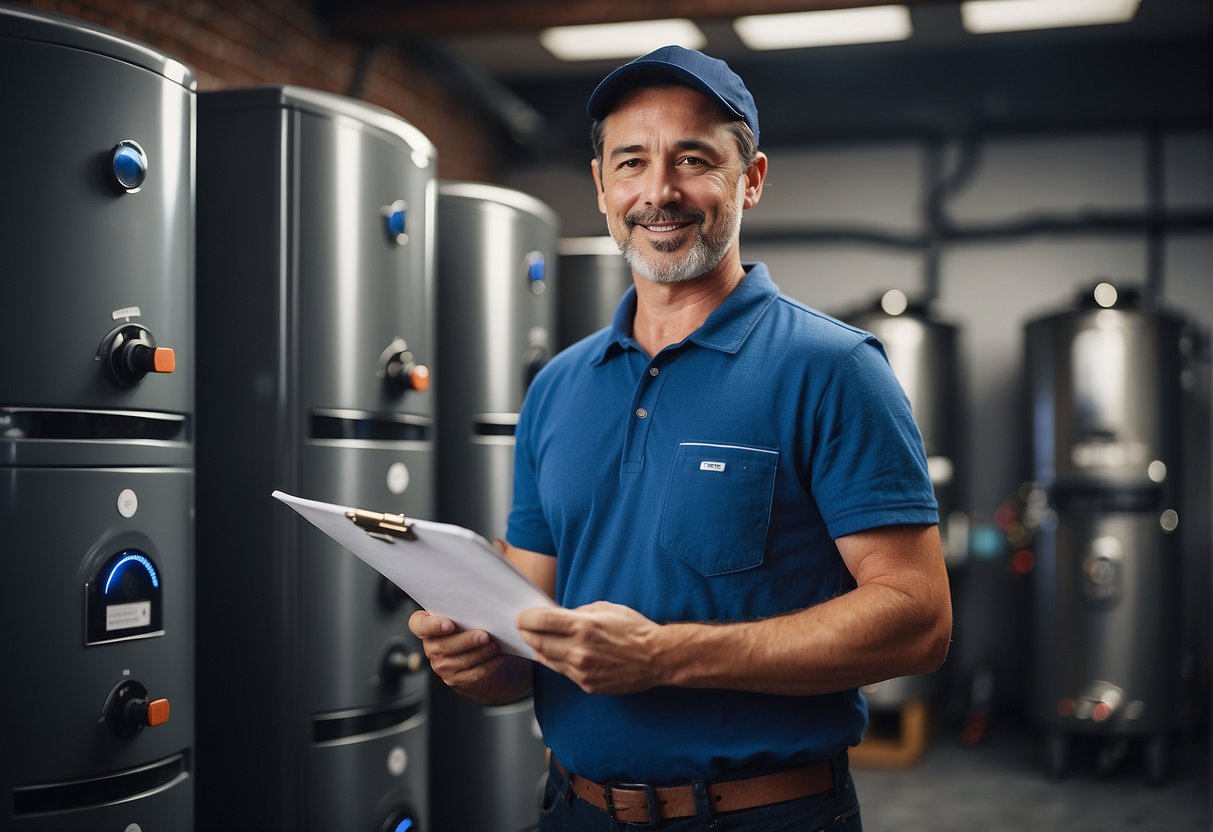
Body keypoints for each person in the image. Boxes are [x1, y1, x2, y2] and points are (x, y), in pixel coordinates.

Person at [410, 45, 952, 831]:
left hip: (762, 815)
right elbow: (529, 629)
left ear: (751, 179)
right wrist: (478, 656)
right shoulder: (559, 385)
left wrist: (664, 655)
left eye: (693, 159)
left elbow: (918, 618)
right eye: (630, 161)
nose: (658, 191)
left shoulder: (832, 369)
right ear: (600, 186)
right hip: (574, 809)